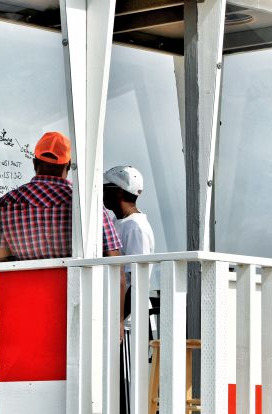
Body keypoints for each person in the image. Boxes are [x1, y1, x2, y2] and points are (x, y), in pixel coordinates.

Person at [0, 131, 123, 261]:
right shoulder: (84, 203)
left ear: (34, 163)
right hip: (74, 286)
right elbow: (113, 260)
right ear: (68, 165)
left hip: (25, 286)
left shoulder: (7, 203)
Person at [103, 165, 155, 414]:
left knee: (129, 388)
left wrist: (119, 320)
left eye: (106, 188)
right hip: (122, 318)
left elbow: (137, 280)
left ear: (119, 192)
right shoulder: (120, 222)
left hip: (130, 322)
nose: (102, 193)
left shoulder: (135, 227)